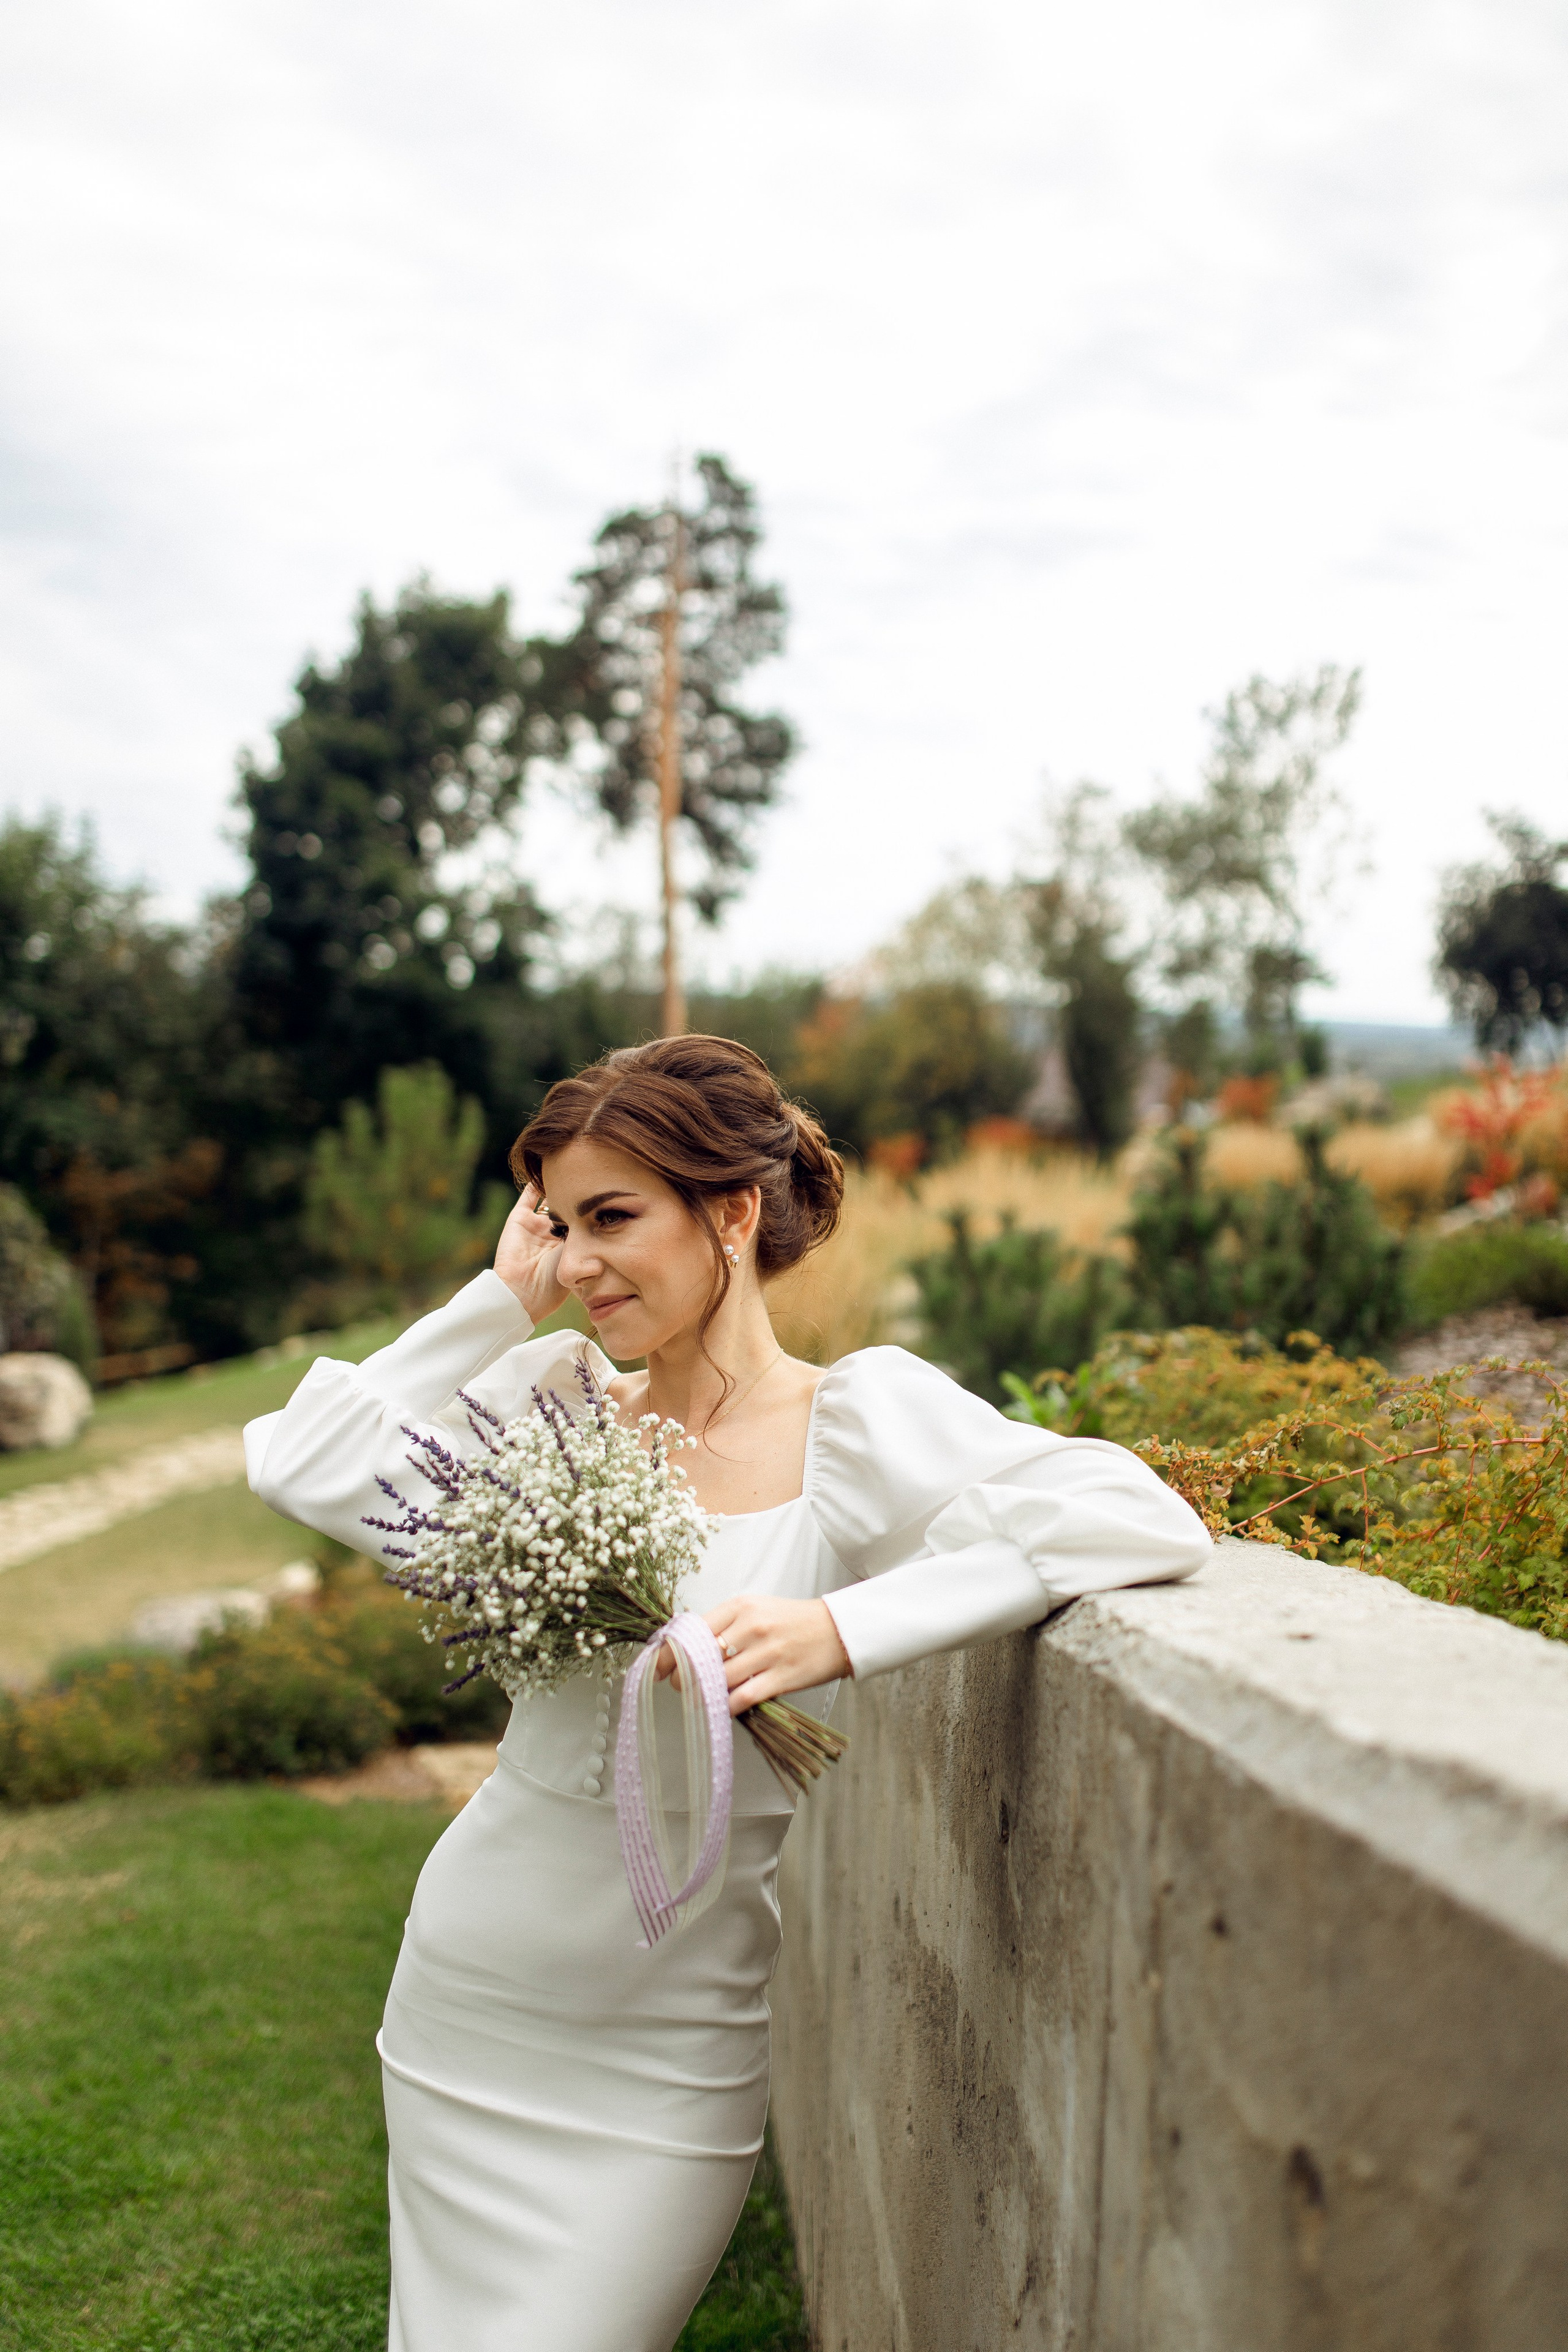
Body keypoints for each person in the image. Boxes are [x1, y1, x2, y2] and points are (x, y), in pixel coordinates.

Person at [244, 1035, 1212, 2352]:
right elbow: (304, 1461)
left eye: (613, 1218)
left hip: (666, 2056)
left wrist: (841, 1625)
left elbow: (1133, 1516)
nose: (578, 1263)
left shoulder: (855, 1423)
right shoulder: (553, 1405)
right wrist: (495, 1300)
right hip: (471, 2003)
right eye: (559, 1222)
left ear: (733, 1213)